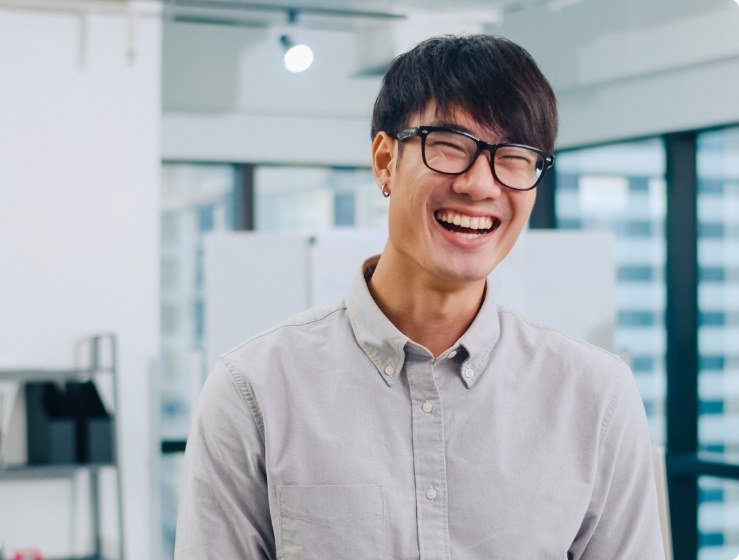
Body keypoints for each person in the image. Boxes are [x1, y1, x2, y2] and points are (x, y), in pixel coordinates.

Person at [174, 35, 665, 559]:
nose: (480, 185)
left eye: (515, 157)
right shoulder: (255, 391)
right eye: (450, 146)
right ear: (386, 161)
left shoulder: (596, 397)